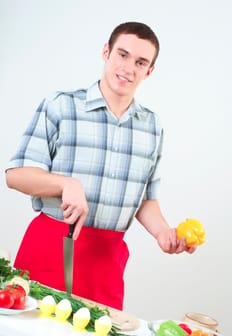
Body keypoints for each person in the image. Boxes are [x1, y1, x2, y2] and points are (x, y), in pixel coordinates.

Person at [5, 21, 196, 310]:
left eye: (140, 62)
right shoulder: (61, 105)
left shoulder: (152, 126)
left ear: (150, 70)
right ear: (106, 52)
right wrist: (66, 184)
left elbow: (144, 199)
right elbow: (16, 175)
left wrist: (163, 233)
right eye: (122, 54)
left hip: (105, 264)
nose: (129, 68)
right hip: (50, 250)